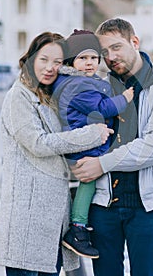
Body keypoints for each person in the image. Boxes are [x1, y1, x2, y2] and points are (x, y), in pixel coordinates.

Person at [72, 18, 153, 276]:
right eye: (104, 53)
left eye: (116, 47)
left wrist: (102, 163)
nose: (110, 57)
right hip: (102, 205)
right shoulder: (95, 87)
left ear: (134, 42)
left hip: (147, 206)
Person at [0, 31, 114, 276]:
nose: (50, 68)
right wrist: (91, 134)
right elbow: (38, 144)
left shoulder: (52, 97)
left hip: (54, 221)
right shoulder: (18, 97)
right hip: (27, 219)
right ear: (30, 59)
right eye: (43, 59)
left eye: (58, 62)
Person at [51, 29, 134, 260]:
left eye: (93, 58)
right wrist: (125, 98)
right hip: (83, 144)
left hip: (89, 141)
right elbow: (103, 107)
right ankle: (77, 229)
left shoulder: (83, 81)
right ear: (71, 61)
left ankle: (80, 226)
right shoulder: (76, 85)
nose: (89, 63)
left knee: (92, 182)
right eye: (83, 58)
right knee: (87, 183)